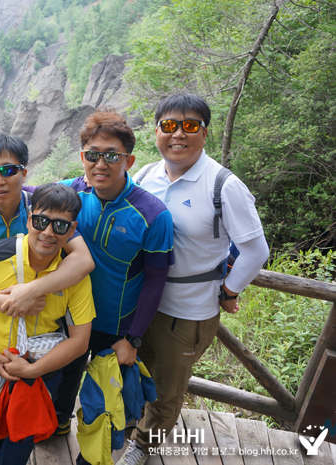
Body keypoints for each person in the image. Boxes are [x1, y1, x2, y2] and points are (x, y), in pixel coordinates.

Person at [0, 112, 175, 440]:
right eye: (92, 155)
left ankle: (101, 453)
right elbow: (21, 189)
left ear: (129, 160)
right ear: (82, 157)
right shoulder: (73, 191)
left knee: (105, 404)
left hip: (115, 327)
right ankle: (59, 427)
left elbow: (156, 280)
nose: (100, 164)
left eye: (111, 156)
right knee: (64, 383)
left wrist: (133, 338)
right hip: (68, 319)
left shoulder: (153, 214)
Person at [117, 93, 270, 465]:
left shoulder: (222, 185)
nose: (178, 135)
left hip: (187, 310)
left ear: (205, 132)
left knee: (168, 390)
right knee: (135, 371)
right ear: (156, 131)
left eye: (190, 126)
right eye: (169, 126)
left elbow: (256, 250)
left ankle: (143, 446)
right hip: (140, 304)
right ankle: (128, 425)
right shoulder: (146, 175)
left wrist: (228, 291)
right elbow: (98, 192)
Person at [0, 134, 94, 437]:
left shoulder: (42, 209)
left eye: (8, 170)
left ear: (24, 173)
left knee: (16, 429)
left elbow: (83, 261)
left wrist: (33, 290)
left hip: (38, 340)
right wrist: (13, 301)